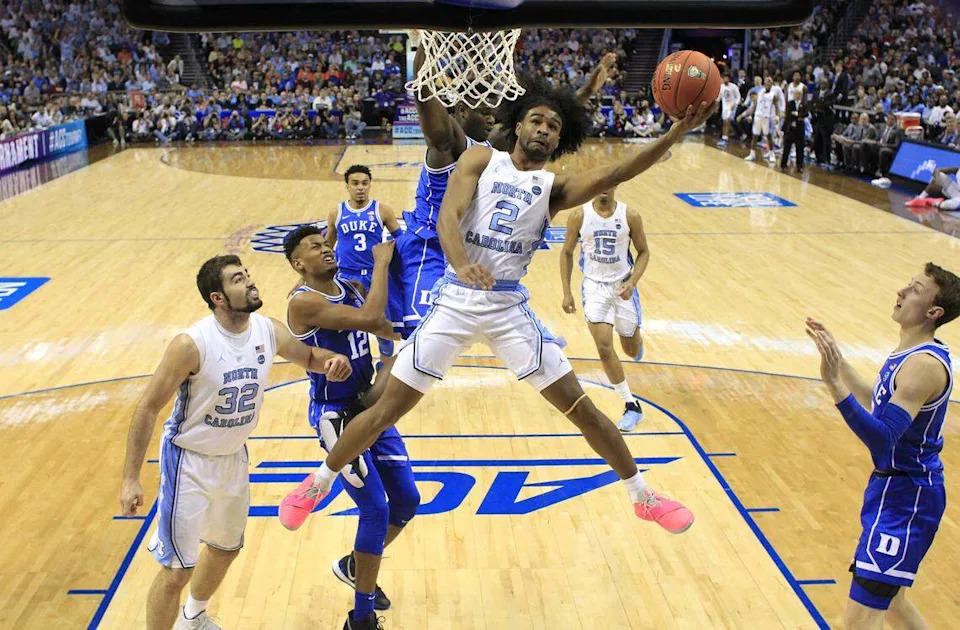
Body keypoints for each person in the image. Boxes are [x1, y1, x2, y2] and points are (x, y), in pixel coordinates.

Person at [278, 74, 716, 543]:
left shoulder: (555, 188)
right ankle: (319, 482)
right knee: (387, 409)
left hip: (507, 304)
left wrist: (673, 134)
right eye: (536, 119)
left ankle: (642, 495)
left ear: (561, 137)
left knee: (581, 408)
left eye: (554, 124)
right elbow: (449, 214)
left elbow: (615, 174)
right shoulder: (482, 157)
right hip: (455, 297)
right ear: (518, 124)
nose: (545, 129)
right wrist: (462, 263)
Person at [119, 255, 352, 630]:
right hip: (188, 461)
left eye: (247, 275)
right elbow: (148, 408)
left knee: (226, 549)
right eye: (237, 279)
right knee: (178, 570)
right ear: (218, 298)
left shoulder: (266, 330)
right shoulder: (191, 344)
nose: (249, 282)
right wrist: (131, 478)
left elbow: (309, 356)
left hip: (233, 457)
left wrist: (331, 361)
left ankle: (193, 618)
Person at [392, 49, 617, 338]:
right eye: (484, 112)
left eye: (494, 114)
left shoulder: (491, 150)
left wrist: (587, 90)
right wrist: (425, 44)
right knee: (419, 336)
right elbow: (424, 95)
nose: (491, 119)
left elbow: (545, 123)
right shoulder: (449, 144)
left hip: (472, 250)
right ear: (461, 112)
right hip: (431, 246)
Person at [806, 262, 960, 630]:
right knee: (891, 604)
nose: (902, 292)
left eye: (915, 290)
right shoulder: (908, 353)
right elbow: (879, 405)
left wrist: (833, 385)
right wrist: (838, 363)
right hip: (892, 490)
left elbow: (882, 439)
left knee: (859, 621)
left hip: (908, 498)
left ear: (934, 312)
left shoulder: (922, 365)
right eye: (908, 285)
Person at [283, 229, 418, 630]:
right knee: (375, 508)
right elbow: (370, 318)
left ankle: (354, 565)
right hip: (335, 414)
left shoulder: (351, 286)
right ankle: (361, 619)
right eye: (314, 248)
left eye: (326, 244)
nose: (325, 249)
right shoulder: (303, 302)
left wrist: (404, 345)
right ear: (298, 264)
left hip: (369, 405)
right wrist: (380, 262)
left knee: (407, 501)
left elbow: (383, 327)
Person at [559, 186, 647, 431]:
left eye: (611, 184)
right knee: (604, 347)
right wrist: (566, 292)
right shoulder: (579, 216)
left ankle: (636, 343)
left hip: (623, 287)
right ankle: (631, 405)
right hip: (594, 287)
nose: (605, 190)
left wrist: (632, 282)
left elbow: (644, 252)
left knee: (630, 349)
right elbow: (566, 252)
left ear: (617, 186)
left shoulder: (631, 216)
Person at [326, 164, 404, 356]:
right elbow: (327, 246)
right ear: (347, 186)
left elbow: (401, 241)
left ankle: (384, 365)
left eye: (364, 183)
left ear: (370, 185)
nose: (360, 187)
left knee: (382, 326)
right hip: (345, 277)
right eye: (355, 183)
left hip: (374, 276)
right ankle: (350, 365)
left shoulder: (382, 210)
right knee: (344, 327)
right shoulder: (337, 212)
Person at [744, 77, 779, 163]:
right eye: (767, 81)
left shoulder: (773, 95)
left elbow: (777, 107)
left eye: (770, 82)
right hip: (757, 116)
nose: (768, 83)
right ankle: (752, 153)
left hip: (766, 117)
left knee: (768, 135)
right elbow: (755, 105)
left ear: (772, 84)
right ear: (764, 83)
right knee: (755, 135)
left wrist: (777, 116)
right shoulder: (759, 92)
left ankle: (771, 154)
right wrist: (751, 115)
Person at [780, 95, 808, 172]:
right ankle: (783, 165)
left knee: (800, 148)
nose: (797, 96)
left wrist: (797, 114)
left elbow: (806, 114)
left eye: (799, 94)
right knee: (786, 148)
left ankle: (799, 166)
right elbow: (788, 114)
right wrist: (797, 115)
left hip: (799, 129)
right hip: (790, 129)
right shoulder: (790, 103)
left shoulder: (804, 104)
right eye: (796, 94)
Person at [717, 74, 742, 147]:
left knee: (727, 122)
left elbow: (738, 97)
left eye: (726, 78)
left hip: (732, 107)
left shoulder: (733, 86)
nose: (725, 79)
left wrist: (735, 104)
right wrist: (717, 105)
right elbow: (719, 97)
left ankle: (725, 138)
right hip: (725, 107)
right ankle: (724, 137)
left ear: (728, 79)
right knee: (724, 122)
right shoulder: (721, 87)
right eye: (723, 78)